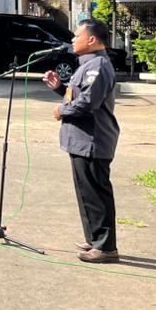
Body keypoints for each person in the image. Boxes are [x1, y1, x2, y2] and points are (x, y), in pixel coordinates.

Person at [44, 18, 122, 263]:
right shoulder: (87, 64)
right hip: (81, 140)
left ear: (91, 40)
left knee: (97, 194)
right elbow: (79, 94)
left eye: (77, 36)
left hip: (93, 140)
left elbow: (88, 103)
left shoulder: (97, 65)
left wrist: (61, 111)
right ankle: (95, 238)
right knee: (86, 193)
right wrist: (60, 89)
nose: (72, 40)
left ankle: (106, 247)